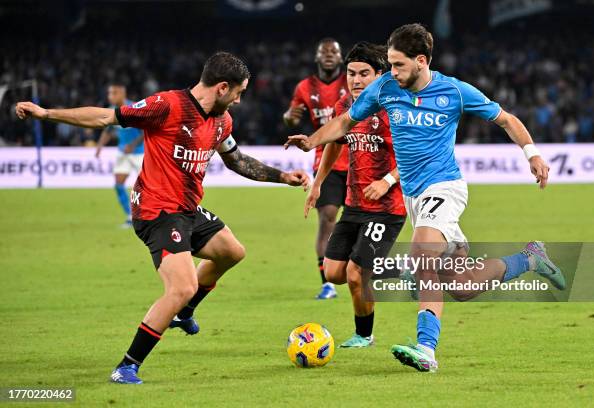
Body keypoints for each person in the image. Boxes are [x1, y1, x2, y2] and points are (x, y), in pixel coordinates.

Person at [16, 51, 310, 384]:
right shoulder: (166, 106)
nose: (240, 101)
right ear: (222, 87)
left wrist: (283, 177)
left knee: (232, 252)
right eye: (239, 93)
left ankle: (184, 314)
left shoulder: (221, 120)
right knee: (182, 286)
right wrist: (46, 113)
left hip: (187, 209)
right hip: (156, 210)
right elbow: (104, 118)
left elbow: (237, 160)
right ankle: (127, 365)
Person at [285, 24, 565, 372]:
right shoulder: (385, 87)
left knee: (422, 256)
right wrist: (312, 141)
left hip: (444, 187)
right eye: (389, 64)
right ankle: (530, 259)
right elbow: (344, 122)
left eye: (399, 65)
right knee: (461, 286)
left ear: (421, 61)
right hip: (417, 198)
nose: (392, 72)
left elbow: (506, 119)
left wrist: (532, 154)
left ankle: (426, 349)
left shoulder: (455, 91)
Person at [304, 42, 406, 348]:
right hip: (355, 204)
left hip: (387, 206)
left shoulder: (395, 108)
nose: (356, 80)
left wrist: (387, 180)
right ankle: (403, 267)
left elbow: (413, 153)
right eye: (351, 74)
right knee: (334, 272)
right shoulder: (344, 108)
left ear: (380, 74)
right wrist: (319, 183)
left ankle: (365, 335)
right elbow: (334, 142)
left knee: (355, 273)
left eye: (364, 73)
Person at [283, 38, 349, 299]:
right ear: (317, 57)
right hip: (326, 162)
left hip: (359, 160)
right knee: (327, 218)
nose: (330, 55)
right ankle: (328, 283)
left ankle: (362, 269)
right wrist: (290, 118)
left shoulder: (353, 81)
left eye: (334, 51)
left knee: (363, 221)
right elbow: (290, 116)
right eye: (325, 52)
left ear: (341, 57)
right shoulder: (304, 87)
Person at [95, 83, 144, 228]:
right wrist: (99, 146)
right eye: (109, 93)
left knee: (147, 187)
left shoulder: (134, 109)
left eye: (114, 93)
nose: (110, 96)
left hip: (139, 153)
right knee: (118, 184)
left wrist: (133, 145)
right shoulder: (112, 111)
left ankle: (151, 216)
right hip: (122, 153)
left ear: (123, 93)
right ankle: (131, 217)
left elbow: (146, 131)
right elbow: (108, 131)